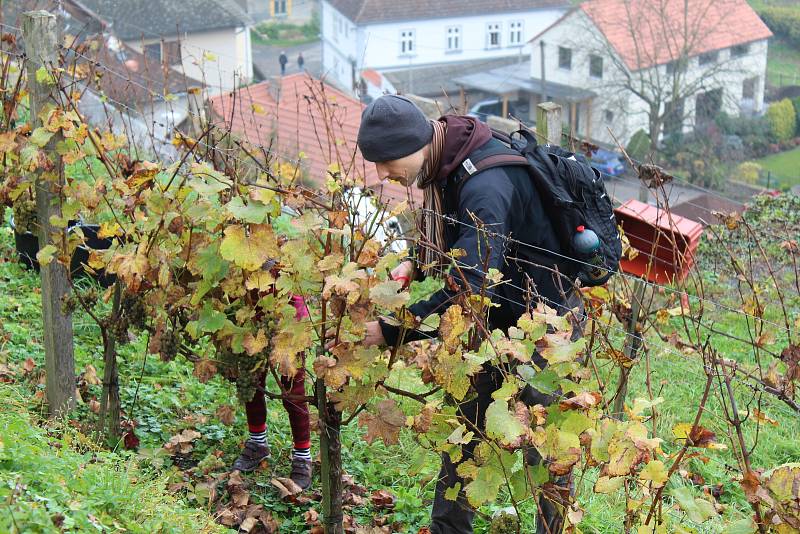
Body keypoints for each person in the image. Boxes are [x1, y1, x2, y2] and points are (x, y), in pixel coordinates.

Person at [355, 95, 584, 534]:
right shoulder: (447, 155)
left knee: (547, 448)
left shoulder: (486, 187)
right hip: (495, 319)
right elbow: (457, 234)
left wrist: (393, 330)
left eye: (386, 161)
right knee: (463, 434)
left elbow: (471, 285)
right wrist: (417, 262)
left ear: (415, 143)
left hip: (546, 325)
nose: (382, 174)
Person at [230, 294, 313, 490]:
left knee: (293, 390)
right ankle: (258, 443)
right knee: (251, 380)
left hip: (291, 318)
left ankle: (303, 455)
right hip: (253, 312)